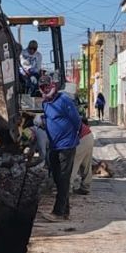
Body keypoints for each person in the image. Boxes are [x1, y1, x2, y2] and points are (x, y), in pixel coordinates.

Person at [41, 80, 82, 219]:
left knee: (64, 178)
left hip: (67, 145)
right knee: (58, 178)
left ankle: (58, 212)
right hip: (54, 146)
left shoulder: (64, 100)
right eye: (42, 88)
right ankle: (65, 211)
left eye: (47, 86)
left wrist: (73, 136)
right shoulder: (45, 103)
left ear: (53, 87)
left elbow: (76, 120)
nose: (45, 90)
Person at [73, 115, 95, 195]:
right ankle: (85, 187)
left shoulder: (59, 122)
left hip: (82, 138)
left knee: (72, 163)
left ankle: (66, 189)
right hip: (88, 136)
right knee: (86, 164)